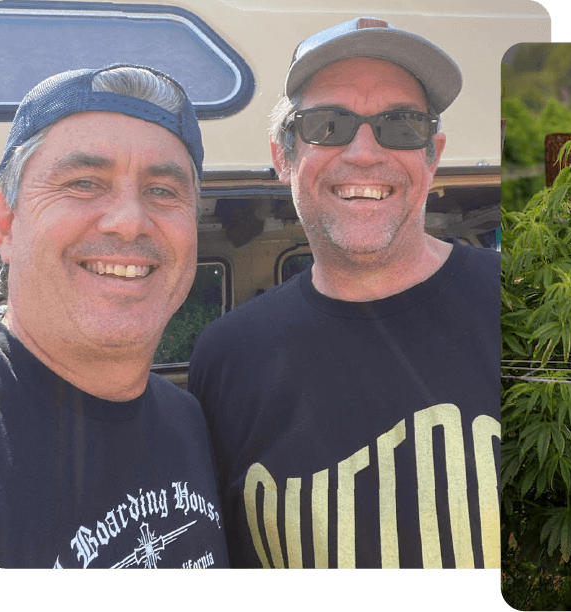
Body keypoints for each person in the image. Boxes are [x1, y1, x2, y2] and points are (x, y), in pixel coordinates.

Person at [187, 17, 499, 569]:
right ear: (284, 157)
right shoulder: (227, 357)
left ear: (433, 154)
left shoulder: (523, 302)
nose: (362, 152)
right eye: (328, 124)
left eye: (400, 125)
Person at [0, 65, 228, 569]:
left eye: (162, 191)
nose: (129, 221)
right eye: (84, 182)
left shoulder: (187, 420)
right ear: (5, 223)